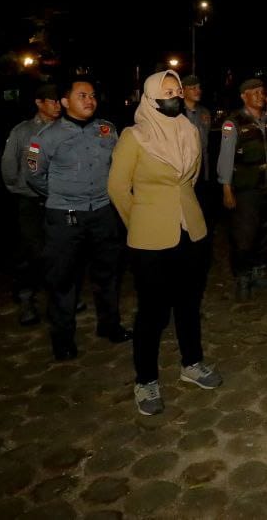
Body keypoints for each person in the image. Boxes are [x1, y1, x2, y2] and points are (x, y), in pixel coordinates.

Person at [109, 71, 221, 416]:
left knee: (189, 304)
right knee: (153, 313)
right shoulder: (134, 136)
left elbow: (191, 179)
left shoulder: (189, 130)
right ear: (151, 98)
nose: (175, 96)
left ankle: (192, 364)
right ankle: (146, 381)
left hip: (192, 231)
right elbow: (117, 187)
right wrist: (140, 222)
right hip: (151, 239)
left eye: (177, 91)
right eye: (167, 92)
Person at [27, 78, 132, 361]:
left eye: (93, 95)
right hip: (66, 216)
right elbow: (34, 175)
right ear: (64, 101)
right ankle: (63, 339)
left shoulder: (108, 130)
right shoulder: (46, 137)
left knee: (107, 273)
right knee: (63, 278)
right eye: (82, 95)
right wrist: (64, 196)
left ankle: (109, 325)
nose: (89, 100)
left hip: (102, 211)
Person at [0, 83, 61, 325]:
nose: (57, 105)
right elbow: (9, 165)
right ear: (39, 103)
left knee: (62, 250)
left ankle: (60, 297)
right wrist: (21, 190)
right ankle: (26, 297)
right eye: (52, 101)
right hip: (31, 201)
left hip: (58, 200)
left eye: (59, 101)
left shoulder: (65, 130)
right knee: (32, 251)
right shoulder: (23, 132)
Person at [217, 78, 267, 299]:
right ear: (243, 96)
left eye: (260, 91)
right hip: (246, 188)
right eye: (252, 92)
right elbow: (226, 157)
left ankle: (260, 273)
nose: (258, 95)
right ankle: (243, 278)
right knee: (244, 235)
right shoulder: (234, 122)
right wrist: (226, 187)